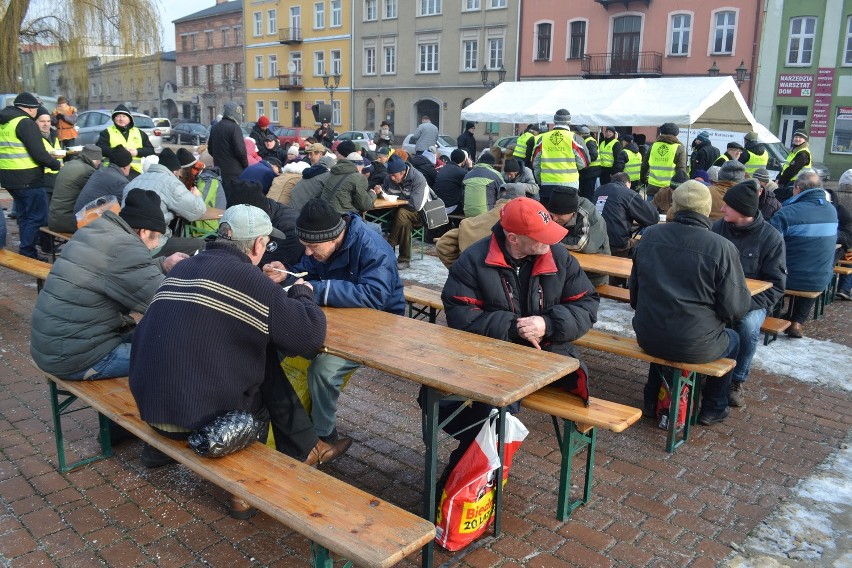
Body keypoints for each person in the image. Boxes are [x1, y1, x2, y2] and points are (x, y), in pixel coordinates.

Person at [129, 204, 351, 519]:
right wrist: (302, 293)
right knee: (263, 377)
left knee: (254, 357)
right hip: (197, 423)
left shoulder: (184, 267)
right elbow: (309, 337)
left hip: (150, 405)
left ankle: (310, 446)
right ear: (259, 244)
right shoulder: (252, 281)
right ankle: (243, 493)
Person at [437, 197, 598, 481]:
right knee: (450, 401)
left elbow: (587, 304)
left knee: (494, 415)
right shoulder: (474, 259)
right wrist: (513, 327)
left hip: (548, 358)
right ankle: (472, 480)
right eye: (542, 237)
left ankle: (466, 482)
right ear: (513, 238)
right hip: (493, 359)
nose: (552, 242)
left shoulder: (558, 256)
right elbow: (461, 316)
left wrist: (547, 324)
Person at [264, 198, 404, 445]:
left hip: (381, 325)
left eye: (311, 246)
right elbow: (306, 269)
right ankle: (280, 423)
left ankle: (324, 435)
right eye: (304, 245)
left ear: (333, 238)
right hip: (338, 317)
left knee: (324, 370)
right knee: (277, 343)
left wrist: (314, 288)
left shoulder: (373, 248)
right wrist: (285, 271)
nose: (308, 251)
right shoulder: (323, 245)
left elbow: (375, 296)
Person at [32, 189, 187, 380]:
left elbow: (118, 272)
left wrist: (163, 264)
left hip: (54, 345)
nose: (156, 245)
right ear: (144, 232)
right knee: (179, 354)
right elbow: (168, 302)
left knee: (155, 334)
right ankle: (159, 408)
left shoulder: (97, 230)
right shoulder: (125, 248)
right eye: (157, 237)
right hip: (77, 357)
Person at [630, 180, 751, 425]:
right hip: (694, 342)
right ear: (706, 209)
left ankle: (652, 400)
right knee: (735, 339)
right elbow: (734, 309)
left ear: (675, 206)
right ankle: (714, 407)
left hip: (648, 334)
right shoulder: (721, 247)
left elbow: (635, 294)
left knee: (669, 334)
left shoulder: (650, 235)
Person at [711, 180, 786, 407]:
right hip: (718, 295)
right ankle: (707, 371)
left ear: (743, 210)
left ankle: (737, 380)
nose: (722, 209)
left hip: (753, 302)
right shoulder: (717, 229)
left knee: (748, 326)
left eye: (728, 206)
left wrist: (741, 304)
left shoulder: (771, 238)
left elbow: (777, 286)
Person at [769, 171, 838, 338]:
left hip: (789, 277)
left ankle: (772, 317)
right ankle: (797, 321)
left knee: (773, 269)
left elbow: (768, 245)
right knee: (814, 267)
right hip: (821, 279)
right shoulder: (832, 211)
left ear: (797, 189)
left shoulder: (787, 212)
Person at [0, 92, 63, 259]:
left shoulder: (5, 122)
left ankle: (26, 249)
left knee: (24, 215)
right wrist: (56, 164)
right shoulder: (25, 123)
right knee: (37, 216)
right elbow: (39, 153)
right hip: (28, 178)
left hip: (9, 177)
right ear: (30, 109)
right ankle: (27, 251)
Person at [122, 147, 207, 256]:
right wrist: (197, 196)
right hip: (152, 244)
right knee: (200, 244)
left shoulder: (134, 181)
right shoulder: (171, 183)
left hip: (128, 240)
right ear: (176, 171)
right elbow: (197, 211)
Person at [546, 188, 610, 287]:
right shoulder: (554, 213)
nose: (554, 219)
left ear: (573, 213)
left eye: (559, 215)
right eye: (552, 215)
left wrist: (552, 240)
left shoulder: (587, 213)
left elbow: (583, 244)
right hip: (567, 269)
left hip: (592, 274)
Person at [593, 172, 659, 262]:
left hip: (595, 241)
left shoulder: (599, 190)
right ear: (628, 183)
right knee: (647, 244)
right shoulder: (628, 193)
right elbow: (653, 218)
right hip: (616, 246)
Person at [382, 154, 429, 269]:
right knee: (404, 221)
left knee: (402, 213)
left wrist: (399, 201)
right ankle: (404, 259)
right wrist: (379, 191)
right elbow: (385, 192)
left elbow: (415, 205)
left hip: (421, 213)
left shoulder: (418, 178)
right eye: (390, 175)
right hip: (398, 213)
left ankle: (389, 244)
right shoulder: (389, 178)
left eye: (394, 176)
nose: (392, 178)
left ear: (403, 172)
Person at [533, 109, 589, 202]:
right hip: (569, 186)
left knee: (548, 215)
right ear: (569, 122)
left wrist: (540, 181)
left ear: (554, 121)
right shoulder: (575, 138)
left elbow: (536, 164)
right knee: (567, 215)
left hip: (547, 185)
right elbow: (584, 163)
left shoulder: (543, 139)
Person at [49, 144, 102, 233]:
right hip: (69, 222)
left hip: (54, 218)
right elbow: (94, 197)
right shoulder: (87, 171)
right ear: (96, 159)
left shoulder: (69, 164)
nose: (100, 163)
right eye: (99, 160)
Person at [96, 104, 154, 175]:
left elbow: (150, 150)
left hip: (135, 171)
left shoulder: (139, 133)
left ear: (130, 118)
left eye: (124, 116)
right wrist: (120, 152)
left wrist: (137, 152)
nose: (121, 119)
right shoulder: (106, 132)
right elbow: (101, 149)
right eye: (118, 116)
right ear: (114, 119)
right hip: (112, 170)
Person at [74, 146, 133, 213]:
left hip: (78, 215)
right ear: (125, 166)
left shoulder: (100, 171)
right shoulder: (120, 182)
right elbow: (128, 207)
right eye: (129, 163)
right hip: (87, 220)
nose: (130, 166)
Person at [320, 146, 376, 215]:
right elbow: (365, 205)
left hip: (322, 213)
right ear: (360, 166)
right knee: (375, 226)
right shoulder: (358, 177)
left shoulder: (332, 173)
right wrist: (372, 194)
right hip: (341, 218)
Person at [641, 122, 686, 207]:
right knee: (667, 216)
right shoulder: (679, 148)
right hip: (670, 189)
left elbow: (644, 165)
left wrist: (643, 179)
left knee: (650, 214)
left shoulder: (654, 145)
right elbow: (681, 170)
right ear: (676, 134)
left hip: (652, 187)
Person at [208, 102, 248, 182]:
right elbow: (240, 151)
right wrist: (246, 166)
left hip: (219, 170)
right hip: (235, 171)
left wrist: (220, 158)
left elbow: (210, 149)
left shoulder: (214, 127)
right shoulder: (235, 128)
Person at [462, 152, 503, 217]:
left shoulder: (468, 174)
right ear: (492, 164)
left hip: (467, 212)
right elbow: (503, 191)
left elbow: (463, 193)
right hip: (485, 213)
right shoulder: (495, 174)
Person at [775, 130, 812, 196]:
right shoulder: (795, 151)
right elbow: (785, 167)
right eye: (796, 137)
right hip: (789, 183)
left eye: (800, 138)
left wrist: (780, 181)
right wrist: (778, 177)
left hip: (796, 184)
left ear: (805, 140)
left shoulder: (803, 153)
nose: (797, 139)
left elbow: (792, 171)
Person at [576, 125, 600, 201]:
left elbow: (594, 155)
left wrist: (584, 161)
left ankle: (588, 209)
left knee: (587, 193)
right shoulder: (587, 140)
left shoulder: (589, 141)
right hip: (588, 171)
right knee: (584, 192)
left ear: (582, 134)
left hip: (591, 170)